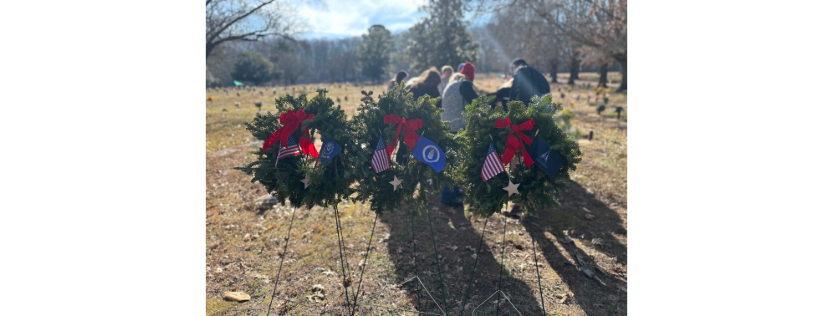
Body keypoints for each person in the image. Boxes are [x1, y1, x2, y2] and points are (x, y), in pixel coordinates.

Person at [439, 62, 480, 206]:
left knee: (451, 161)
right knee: (455, 163)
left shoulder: (452, 83)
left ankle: (454, 191)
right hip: (457, 127)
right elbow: (477, 102)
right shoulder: (465, 84)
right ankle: (447, 196)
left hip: (446, 126)